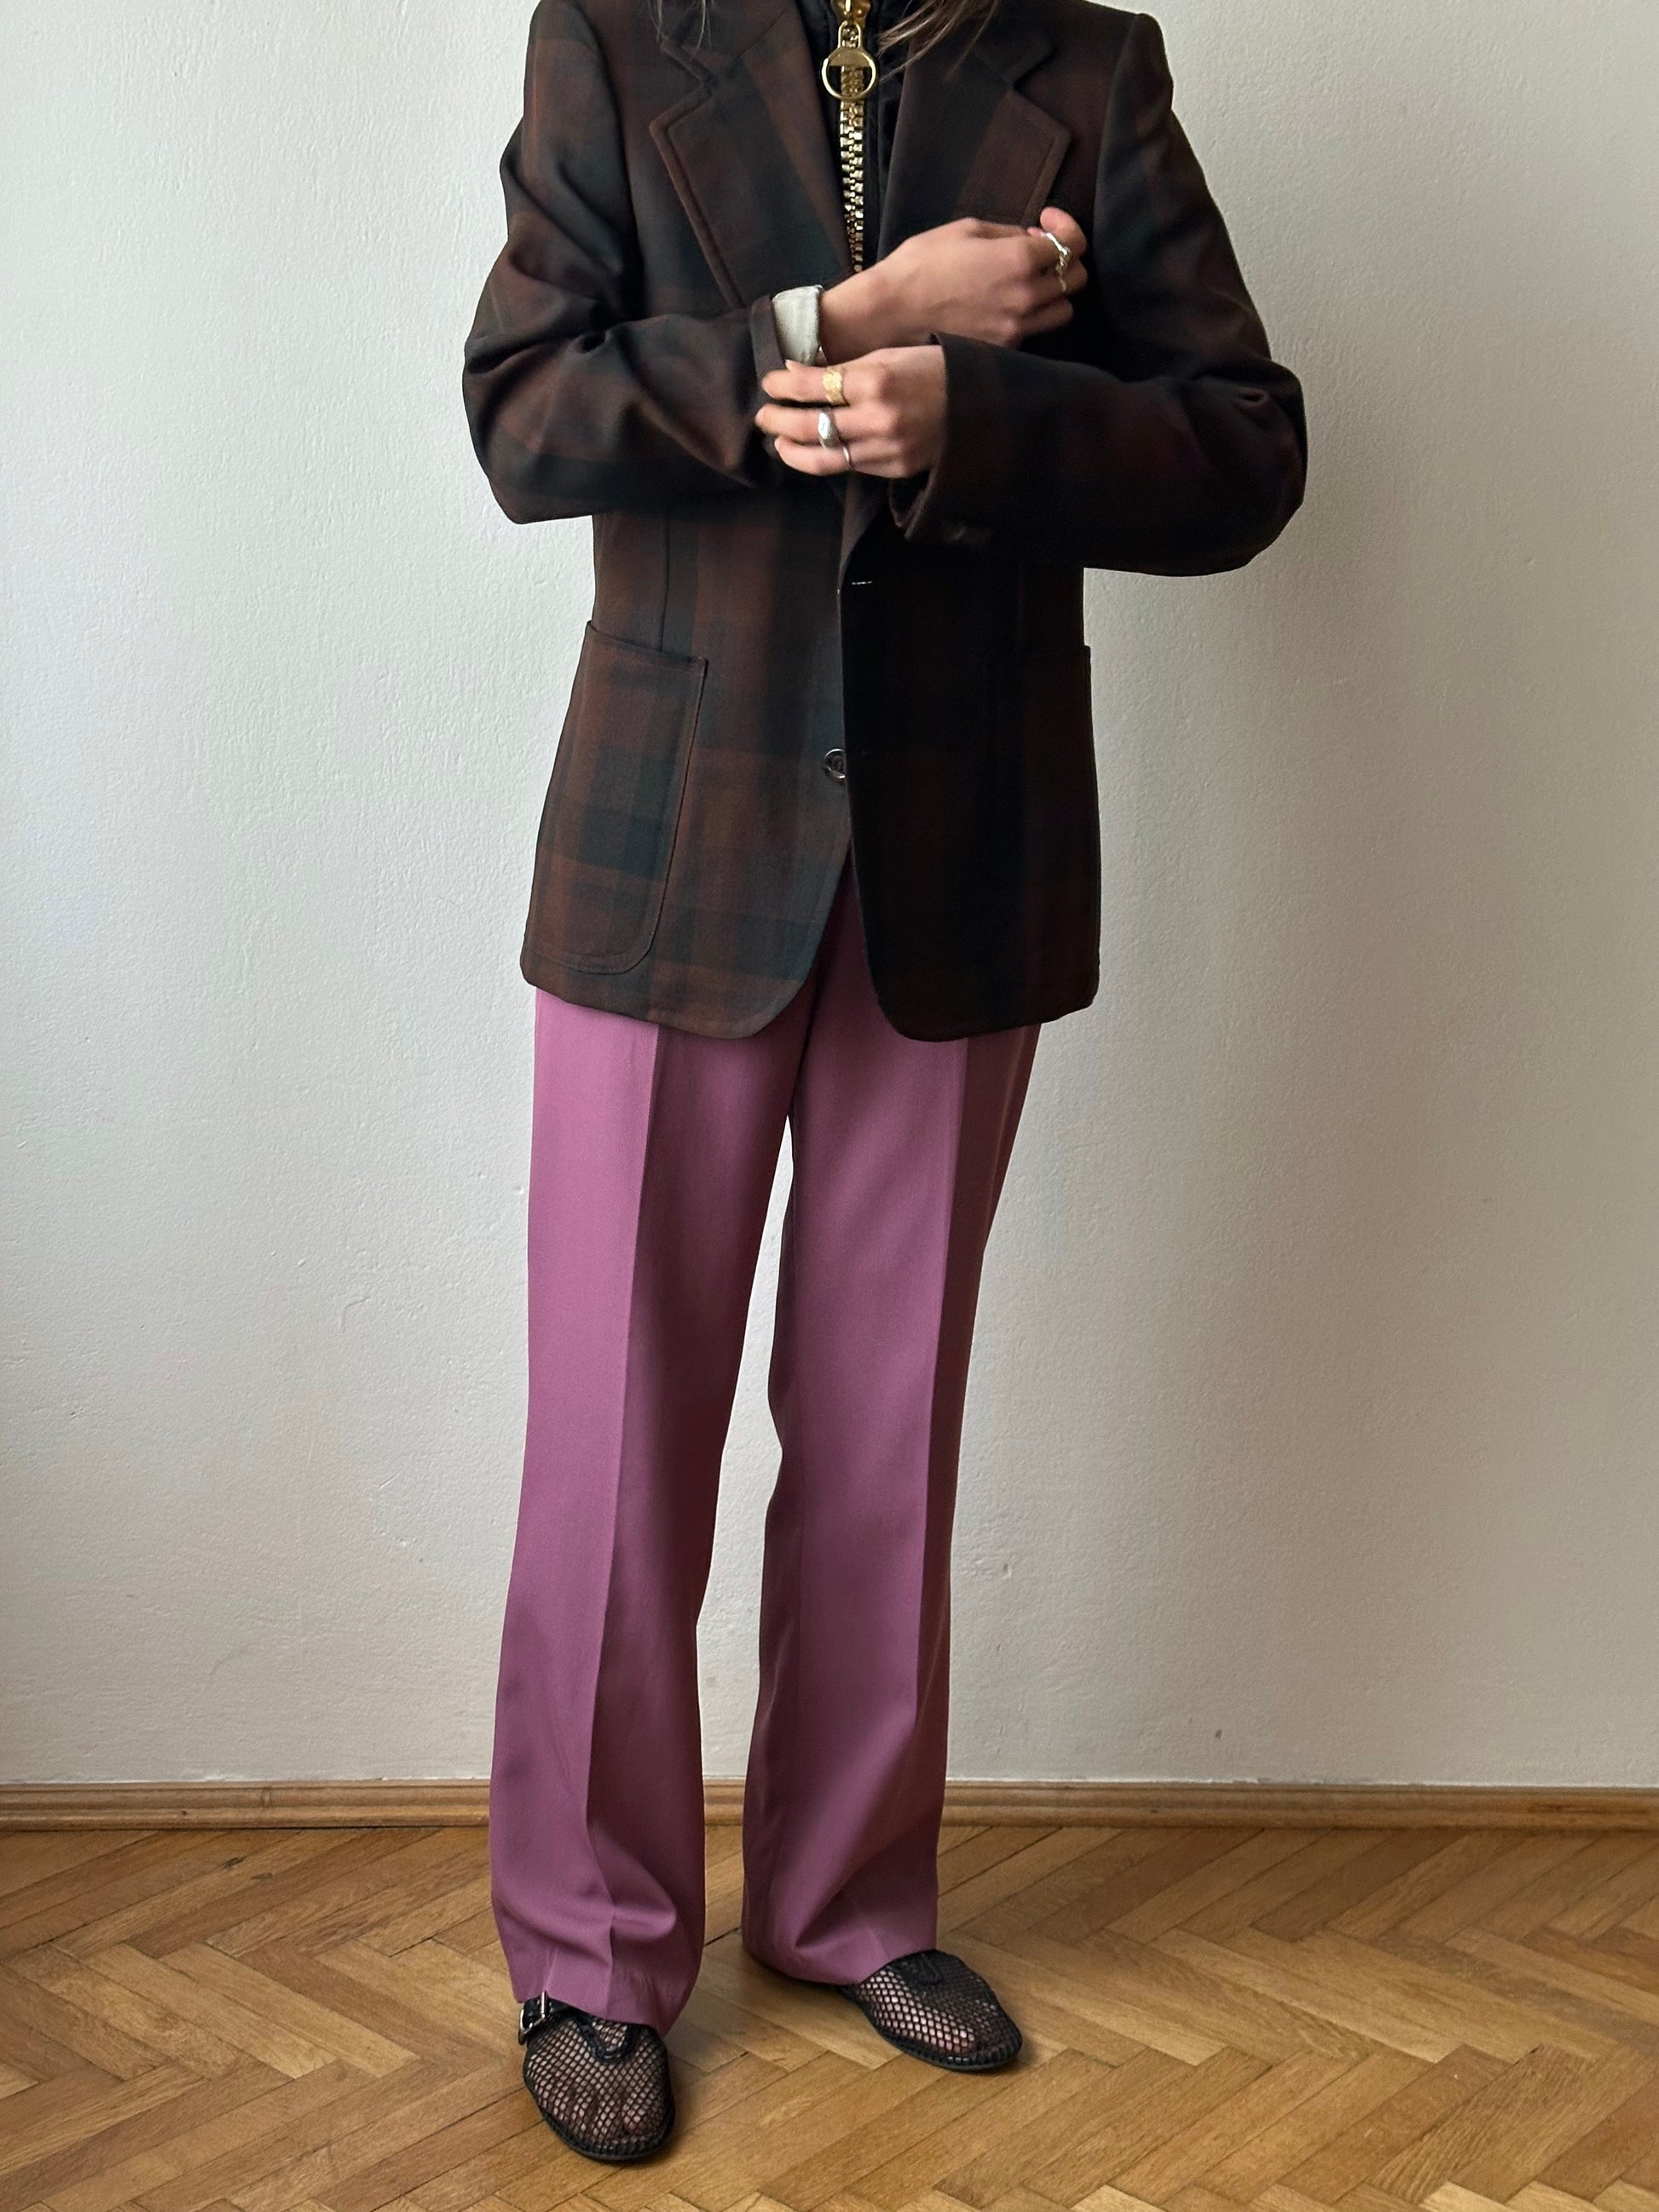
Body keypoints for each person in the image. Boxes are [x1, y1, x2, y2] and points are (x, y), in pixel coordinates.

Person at [461, 0, 1304, 2163]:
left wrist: (974, 414)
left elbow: (1244, 448)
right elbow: (524, 413)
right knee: (614, 1435)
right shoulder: (615, 36)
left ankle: (845, 1902)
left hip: (962, 849)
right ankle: (588, 1941)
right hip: (669, 845)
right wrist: (829, 326)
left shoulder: (1087, 67)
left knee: (884, 1420)